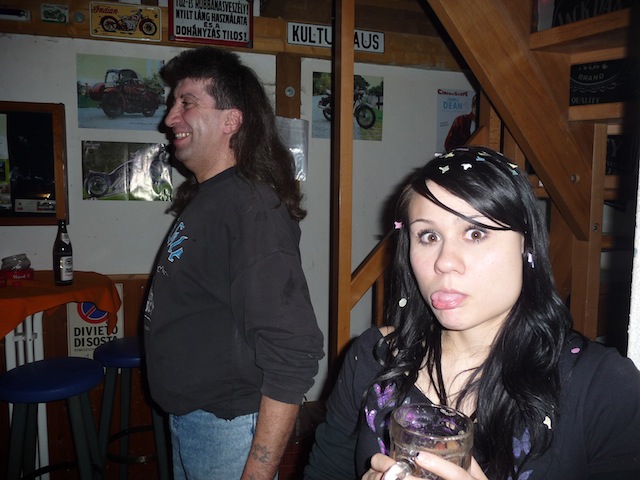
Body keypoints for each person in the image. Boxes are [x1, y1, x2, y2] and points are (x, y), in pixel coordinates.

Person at [304, 146, 640, 480]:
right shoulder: (373, 358)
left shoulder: (605, 387)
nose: (444, 261)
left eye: (476, 233)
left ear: (526, 244)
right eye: (429, 236)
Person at [143, 46, 324, 480]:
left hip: (226, 431)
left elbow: (292, 349)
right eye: (173, 103)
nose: (169, 118)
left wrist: (258, 471)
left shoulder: (251, 207)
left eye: (187, 103)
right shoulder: (212, 196)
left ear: (231, 120)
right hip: (195, 421)